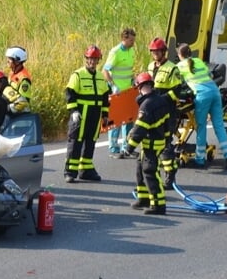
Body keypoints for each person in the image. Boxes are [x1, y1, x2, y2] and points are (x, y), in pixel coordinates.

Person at [176, 44, 227, 169]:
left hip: (202, 95)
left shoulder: (180, 66)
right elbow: (210, 76)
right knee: (219, 125)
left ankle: (200, 159)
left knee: (201, 126)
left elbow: (175, 81)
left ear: (179, 55)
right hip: (214, 92)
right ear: (190, 53)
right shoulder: (198, 61)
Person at [123, 72, 171, 215]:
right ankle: (143, 198)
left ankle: (158, 204)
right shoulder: (161, 100)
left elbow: (140, 128)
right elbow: (167, 123)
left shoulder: (146, 105)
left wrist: (129, 147)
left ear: (139, 87)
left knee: (150, 171)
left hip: (151, 143)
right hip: (159, 141)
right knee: (140, 167)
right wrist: (167, 139)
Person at [64, 45, 110, 183]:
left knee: (90, 141)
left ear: (98, 61)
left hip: (95, 114)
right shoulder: (77, 75)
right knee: (76, 141)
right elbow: (69, 94)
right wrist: (74, 111)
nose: (92, 62)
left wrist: (105, 115)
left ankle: (86, 170)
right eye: (90, 59)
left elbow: (105, 97)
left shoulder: (101, 77)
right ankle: (70, 172)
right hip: (81, 114)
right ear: (86, 59)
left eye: (95, 59)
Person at [146, 37, 184, 190]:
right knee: (151, 145)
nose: (155, 54)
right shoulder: (150, 66)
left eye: (158, 51)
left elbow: (176, 91)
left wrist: (161, 100)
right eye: (153, 51)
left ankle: (170, 177)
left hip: (167, 113)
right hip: (152, 113)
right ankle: (154, 176)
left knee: (166, 146)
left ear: (163, 52)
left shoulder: (172, 68)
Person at [102, 28, 137, 157]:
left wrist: (133, 79)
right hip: (117, 92)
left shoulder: (131, 50)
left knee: (128, 120)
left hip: (128, 91)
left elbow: (128, 69)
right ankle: (113, 148)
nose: (133, 42)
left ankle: (126, 147)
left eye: (134, 40)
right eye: (131, 40)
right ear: (124, 39)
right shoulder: (115, 52)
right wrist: (112, 85)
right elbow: (105, 71)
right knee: (115, 121)